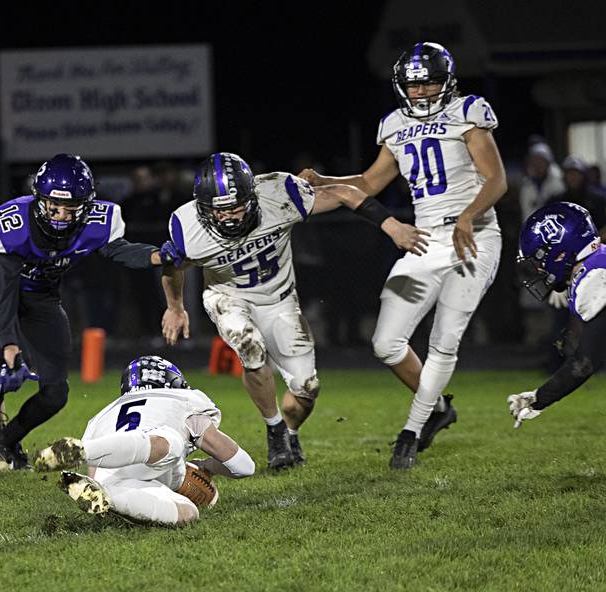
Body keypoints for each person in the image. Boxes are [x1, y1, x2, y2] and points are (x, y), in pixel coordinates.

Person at [301, 42, 507, 469]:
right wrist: (325, 180)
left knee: (444, 337)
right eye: (414, 84)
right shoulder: (394, 124)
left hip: (475, 235)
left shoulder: (468, 112)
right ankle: (437, 408)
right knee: (385, 343)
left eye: (430, 81)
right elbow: (370, 182)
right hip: (425, 238)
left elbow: (497, 179)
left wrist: (469, 215)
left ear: (447, 81)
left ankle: (411, 431)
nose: (421, 91)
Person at [161, 152, 428, 469]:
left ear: (252, 196)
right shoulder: (187, 225)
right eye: (218, 210)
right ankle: (275, 430)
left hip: (281, 299)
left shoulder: (278, 193)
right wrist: (176, 307)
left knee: (306, 388)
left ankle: (288, 430)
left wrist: (392, 225)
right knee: (250, 349)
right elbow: (173, 266)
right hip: (228, 295)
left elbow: (345, 193)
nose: (229, 217)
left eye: (235, 207)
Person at [0, 154, 187, 470]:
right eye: (53, 206)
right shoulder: (14, 223)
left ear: (87, 203)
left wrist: (156, 256)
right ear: (39, 198)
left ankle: (7, 440)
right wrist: (9, 344)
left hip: (42, 296)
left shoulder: (99, 221)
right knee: (9, 360)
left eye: (70, 209)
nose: (59, 216)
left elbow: (120, 251)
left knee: (56, 393)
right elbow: (3, 291)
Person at [33, 355, 254, 525]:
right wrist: (206, 466)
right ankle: (83, 453)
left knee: (188, 512)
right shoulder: (183, 400)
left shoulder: (101, 416)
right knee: (171, 443)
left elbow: (95, 474)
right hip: (154, 453)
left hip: (111, 473)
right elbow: (243, 466)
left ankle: (101, 484)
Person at [508, 202, 605, 426]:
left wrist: (539, 398)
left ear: (560, 250)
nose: (540, 269)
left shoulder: (595, 279)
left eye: (540, 258)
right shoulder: (598, 259)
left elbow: (584, 363)